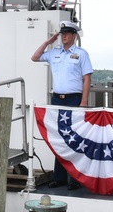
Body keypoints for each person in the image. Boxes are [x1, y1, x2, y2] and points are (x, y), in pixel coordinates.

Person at [30, 20, 93, 189]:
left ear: (74, 35)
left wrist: (84, 102)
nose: (63, 36)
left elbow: (87, 79)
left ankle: (75, 179)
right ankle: (60, 178)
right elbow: (34, 57)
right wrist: (46, 43)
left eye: (66, 33)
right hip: (57, 99)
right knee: (59, 139)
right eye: (61, 33)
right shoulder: (54, 52)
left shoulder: (81, 54)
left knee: (74, 139)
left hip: (74, 99)